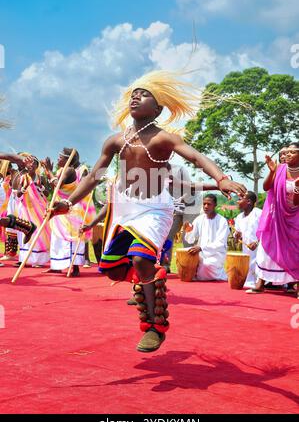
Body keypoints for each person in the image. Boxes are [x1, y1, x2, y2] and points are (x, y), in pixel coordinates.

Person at [49, 70, 246, 352]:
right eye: (133, 94)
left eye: (144, 94)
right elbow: (93, 177)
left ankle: (155, 326)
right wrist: (68, 204)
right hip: (125, 209)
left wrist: (221, 179)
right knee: (115, 272)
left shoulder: (163, 139)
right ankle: (147, 280)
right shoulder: (115, 141)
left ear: (157, 109)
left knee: (141, 260)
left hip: (155, 210)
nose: (136, 97)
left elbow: (196, 157)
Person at [247, 142, 299, 295]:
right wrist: (271, 171)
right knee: (266, 247)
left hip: (295, 217)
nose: (287, 154)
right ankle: (260, 283)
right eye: (286, 152)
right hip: (276, 217)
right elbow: (265, 187)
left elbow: (297, 202)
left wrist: (297, 189)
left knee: (295, 250)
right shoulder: (280, 169)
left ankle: (296, 285)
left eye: (292, 152)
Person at [42, 148, 96, 276]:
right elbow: (54, 186)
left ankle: (75, 267)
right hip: (59, 208)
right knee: (57, 238)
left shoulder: (70, 170)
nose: (58, 159)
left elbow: (58, 184)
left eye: (61, 157)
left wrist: (49, 170)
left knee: (71, 239)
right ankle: (56, 265)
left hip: (69, 209)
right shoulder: (62, 170)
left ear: (68, 159)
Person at [183, 194, 230, 281]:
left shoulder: (222, 221)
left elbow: (220, 243)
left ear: (215, 205)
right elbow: (190, 239)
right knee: (185, 258)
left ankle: (221, 276)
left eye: (209, 204)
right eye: (204, 204)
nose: (206, 206)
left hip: (216, 254)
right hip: (200, 254)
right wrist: (188, 231)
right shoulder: (199, 219)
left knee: (207, 265)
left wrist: (201, 248)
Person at [15, 154, 50, 268]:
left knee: (38, 234)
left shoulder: (41, 178)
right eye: (29, 163)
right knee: (25, 231)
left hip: (39, 210)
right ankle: (25, 259)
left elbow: (48, 194)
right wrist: (24, 188)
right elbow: (19, 193)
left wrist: (41, 188)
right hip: (26, 209)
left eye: (33, 163)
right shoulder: (23, 178)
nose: (30, 165)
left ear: (36, 166)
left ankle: (38, 261)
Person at [234, 191, 262, 288]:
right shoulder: (238, 217)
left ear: (249, 201)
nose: (237, 202)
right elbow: (237, 234)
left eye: (240, 199)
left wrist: (257, 242)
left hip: (260, 250)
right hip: (246, 251)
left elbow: (267, 231)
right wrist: (237, 235)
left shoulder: (259, 213)